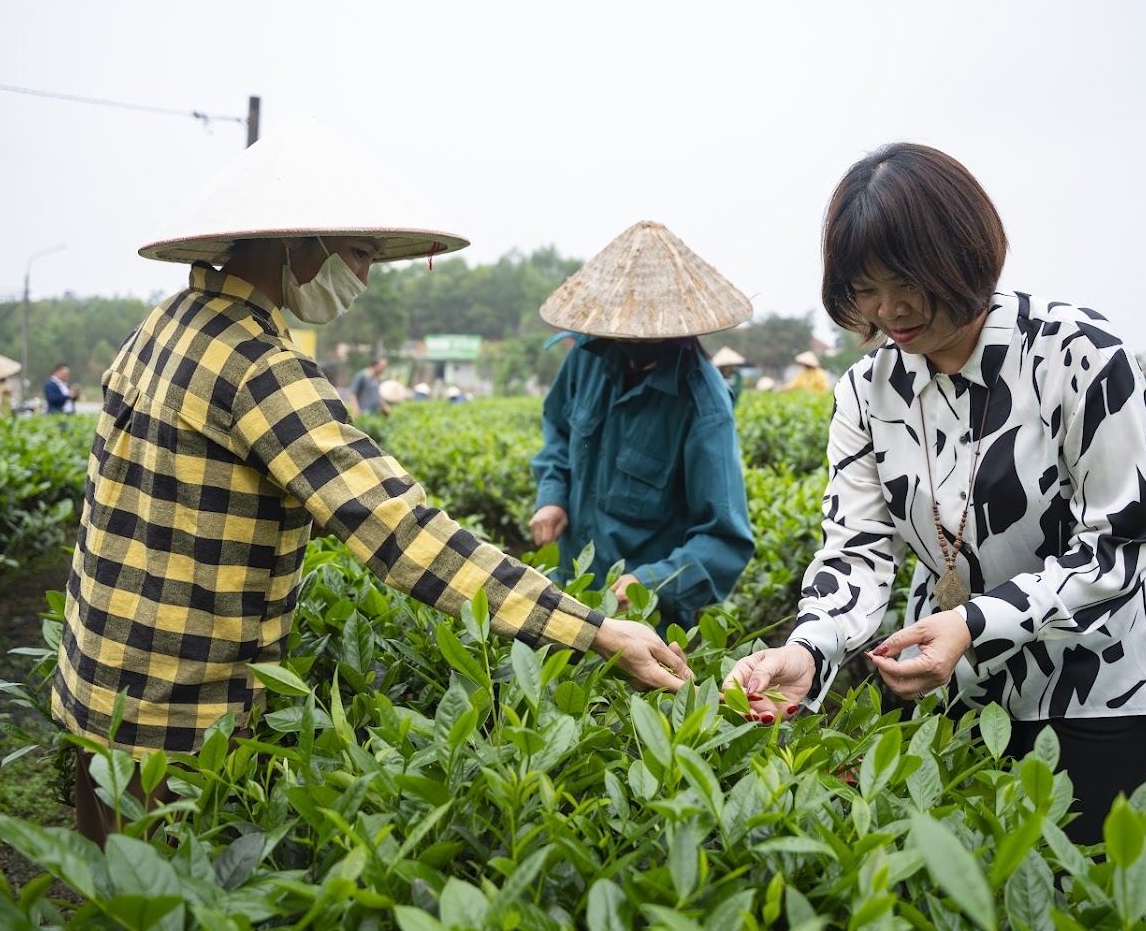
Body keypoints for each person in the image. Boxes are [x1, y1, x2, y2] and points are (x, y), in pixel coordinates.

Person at [52, 122, 690, 845]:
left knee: (105, 887)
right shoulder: (261, 367)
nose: (362, 277)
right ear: (296, 241)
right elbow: (402, 533)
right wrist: (595, 631)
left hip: (99, 680)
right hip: (177, 716)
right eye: (357, 254)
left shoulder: (165, 324)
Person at [724, 143, 1146, 845]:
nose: (887, 310)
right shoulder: (866, 389)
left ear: (964, 254)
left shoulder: (1076, 353)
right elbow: (854, 549)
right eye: (863, 289)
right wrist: (811, 646)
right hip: (944, 675)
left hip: (1095, 682)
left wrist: (975, 624)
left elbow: (1119, 547)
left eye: (904, 280)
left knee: (1073, 886)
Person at [530, 220, 756, 632]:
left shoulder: (703, 405)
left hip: (642, 622)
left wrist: (648, 584)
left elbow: (725, 540)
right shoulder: (588, 357)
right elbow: (559, 430)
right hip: (571, 592)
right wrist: (553, 495)